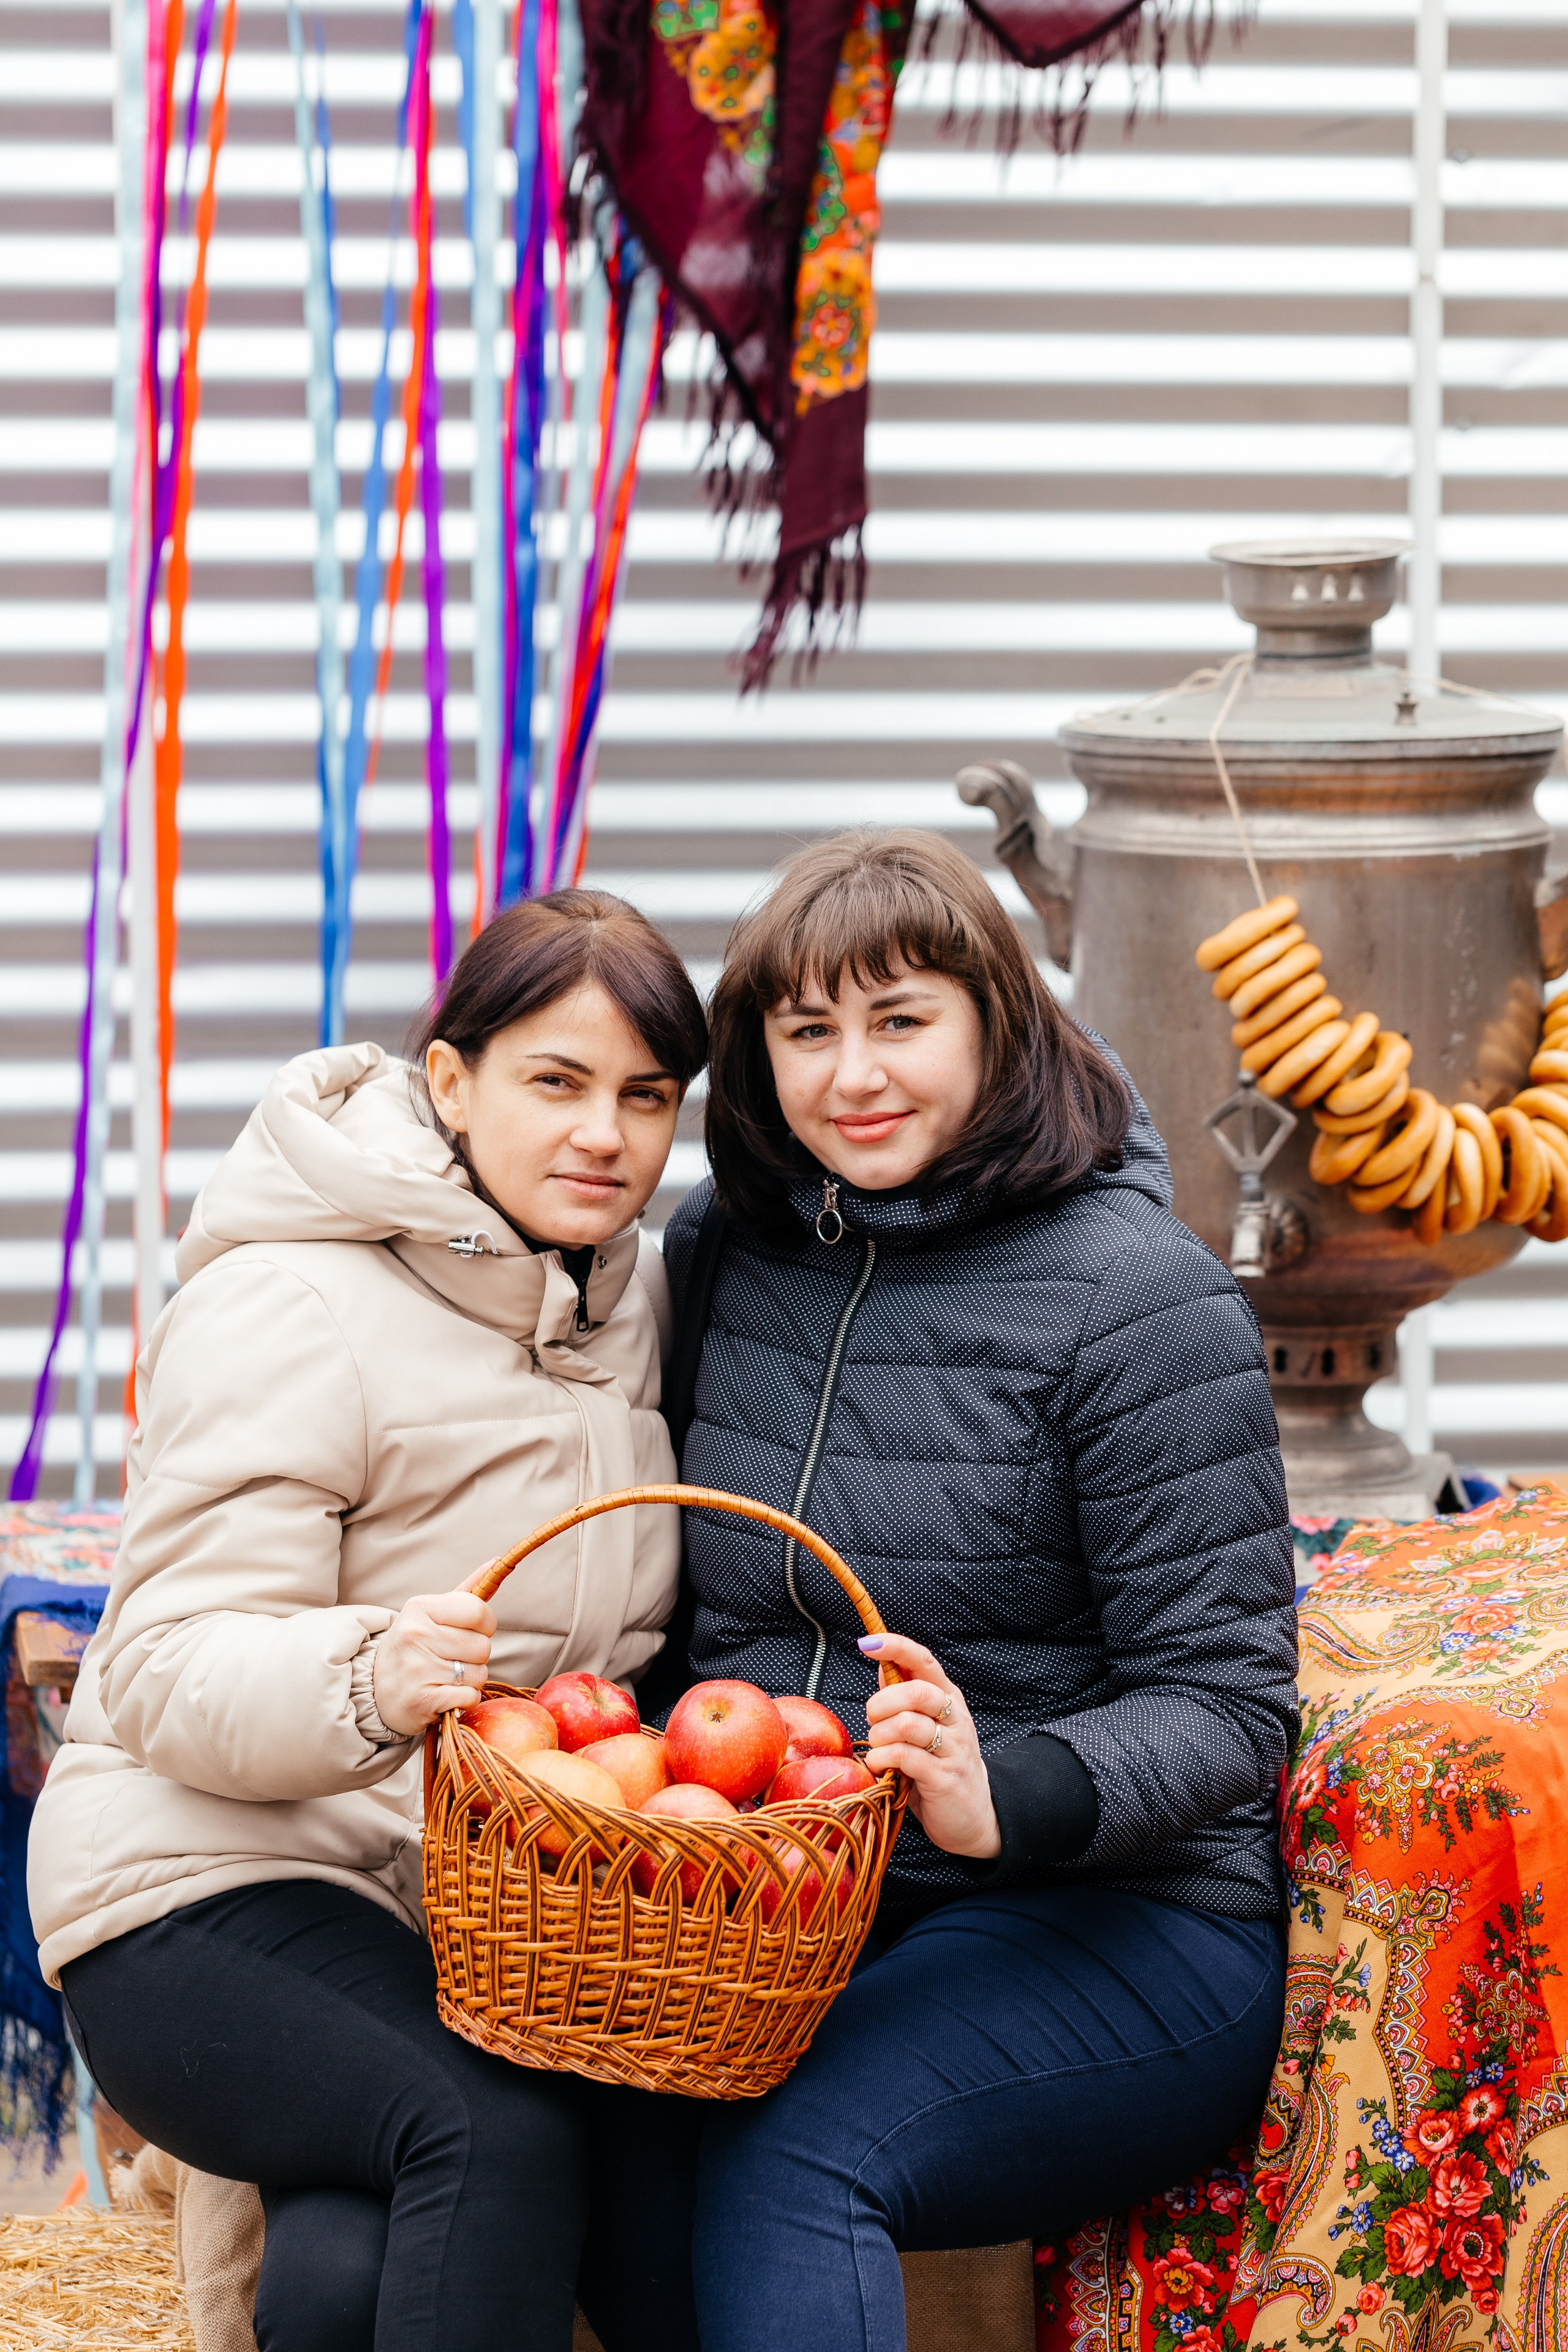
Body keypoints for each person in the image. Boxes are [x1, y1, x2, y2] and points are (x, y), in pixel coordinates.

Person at [30, 892, 709, 2352]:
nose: (606, 1134)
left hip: (449, 1915)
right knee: (496, 2135)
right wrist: (368, 1675)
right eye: (557, 1081)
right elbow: (155, 1665)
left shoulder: (622, 1294)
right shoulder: (292, 1298)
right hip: (194, 1889)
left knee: (344, 2276)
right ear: (450, 1082)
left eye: (646, 1096)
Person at [662, 829, 1298, 2352]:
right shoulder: (728, 1254)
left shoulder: (1138, 1298)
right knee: (608, 2130)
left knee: (789, 2154)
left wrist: (996, 1796)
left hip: (1114, 1918)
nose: (851, 1076)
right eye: (805, 1031)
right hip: (806, 1900)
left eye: (899, 1021)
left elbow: (1225, 1699)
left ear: (996, 1025)